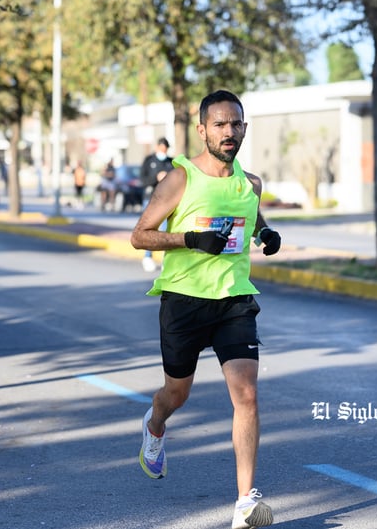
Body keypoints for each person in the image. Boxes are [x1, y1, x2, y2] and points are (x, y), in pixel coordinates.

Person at [130, 90, 281, 529]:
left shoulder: (250, 183)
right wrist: (190, 240)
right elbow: (140, 235)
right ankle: (155, 425)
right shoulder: (180, 179)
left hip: (234, 300)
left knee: (247, 395)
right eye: (219, 124)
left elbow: (250, 219)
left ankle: (246, 503)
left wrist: (266, 234)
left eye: (235, 124)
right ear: (202, 130)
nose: (228, 132)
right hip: (183, 301)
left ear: (244, 129)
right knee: (177, 393)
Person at [140, 137, 174, 272]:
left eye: (165, 150)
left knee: (166, 230)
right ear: (157, 147)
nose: (163, 152)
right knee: (150, 229)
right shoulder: (149, 161)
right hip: (151, 199)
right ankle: (148, 256)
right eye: (161, 149)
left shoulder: (171, 162)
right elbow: (143, 179)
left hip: (166, 201)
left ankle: (167, 259)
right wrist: (156, 178)